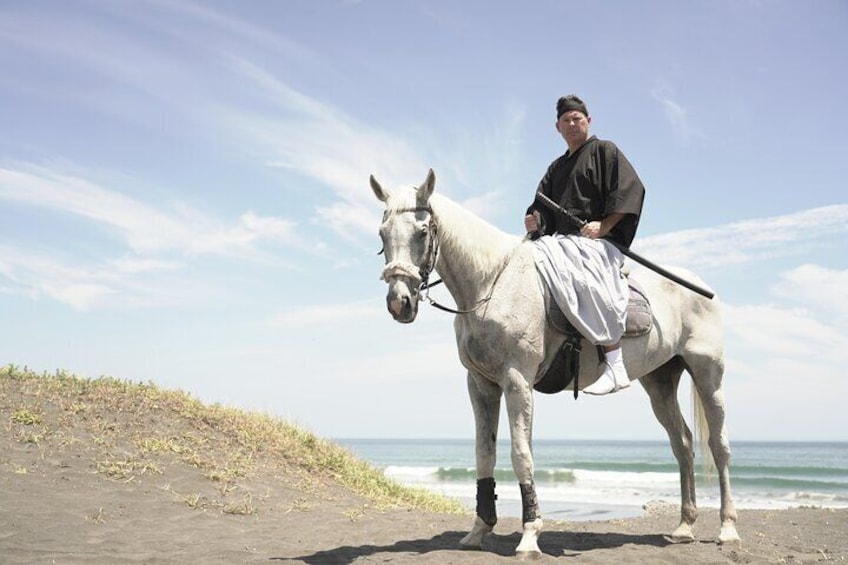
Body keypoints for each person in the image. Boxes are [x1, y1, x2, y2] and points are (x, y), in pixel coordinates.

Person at [525, 94, 645, 395]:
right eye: (566, 120)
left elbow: (631, 190)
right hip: (561, 242)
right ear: (557, 127)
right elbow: (542, 207)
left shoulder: (606, 151)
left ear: (588, 121)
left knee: (582, 273)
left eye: (577, 118)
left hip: (599, 243)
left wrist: (603, 226)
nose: (572, 124)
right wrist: (535, 220)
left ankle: (615, 364)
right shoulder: (555, 168)